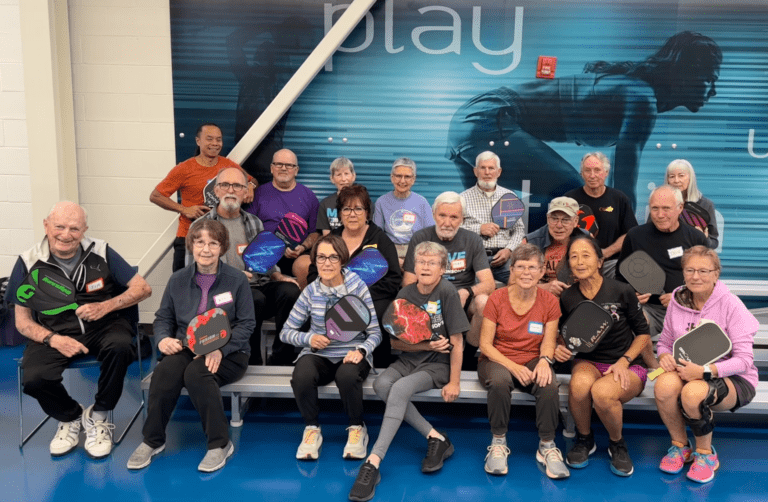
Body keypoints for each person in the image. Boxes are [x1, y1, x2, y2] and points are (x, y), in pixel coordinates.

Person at [446, 31, 722, 228]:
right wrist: (628, 235)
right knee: (572, 196)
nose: (713, 91)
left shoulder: (635, 92)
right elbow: (624, 184)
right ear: (687, 74)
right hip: (489, 119)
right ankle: (514, 240)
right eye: (708, 79)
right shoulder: (641, 98)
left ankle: (506, 245)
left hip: (475, 121)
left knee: (483, 220)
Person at [8, 202, 152, 459]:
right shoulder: (28, 261)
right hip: (53, 331)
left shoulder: (102, 251)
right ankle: (71, 416)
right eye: (59, 227)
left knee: (121, 347)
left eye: (74, 228)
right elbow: (22, 322)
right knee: (34, 379)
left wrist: (105, 306)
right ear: (46, 225)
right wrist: (53, 339)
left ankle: (98, 416)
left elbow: (143, 288)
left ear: (84, 230)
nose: (66, 235)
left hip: (104, 326)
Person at [127, 219, 255, 472]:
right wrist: (163, 338)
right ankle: (152, 440)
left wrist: (221, 349)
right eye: (200, 243)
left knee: (198, 373)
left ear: (222, 247)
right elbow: (163, 318)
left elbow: (247, 324)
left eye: (213, 243)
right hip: (188, 346)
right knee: (164, 372)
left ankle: (220, 444)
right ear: (191, 246)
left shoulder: (237, 279)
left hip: (230, 351)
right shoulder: (177, 279)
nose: (206, 249)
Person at [348, 242, 468, 502]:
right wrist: (425, 345)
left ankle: (373, 461)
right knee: (381, 385)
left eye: (432, 263)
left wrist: (455, 382)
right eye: (421, 262)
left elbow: (458, 342)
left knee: (400, 389)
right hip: (410, 359)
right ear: (414, 266)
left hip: (438, 364)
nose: (425, 267)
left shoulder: (447, 292)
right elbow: (395, 342)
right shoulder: (405, 293)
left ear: (442, 269)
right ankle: (435, 436)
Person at [653, 246, 758, 483]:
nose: (696, 276)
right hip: (688, 370)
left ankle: (705, 454)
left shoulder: (731, 304)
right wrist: (664, 356)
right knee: (663, 386)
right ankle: (680, 446)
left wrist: (705, 371)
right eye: (690, 270)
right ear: (683, 272)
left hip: (732, 377)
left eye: (703, 271)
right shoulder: (677, 301)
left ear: (716, 274)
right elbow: (665, 342)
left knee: (692, 393)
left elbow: (744, 361)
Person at [555, 234, 650, 477]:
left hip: (627, 363)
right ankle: (585, 439)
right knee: (579, 386)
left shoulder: (622, 290)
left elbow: (643, 334)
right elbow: (564, 335)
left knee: (602, 393)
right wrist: (559, 346)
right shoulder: (568, 296)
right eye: (574, 257)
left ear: (599, 261)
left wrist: (624, 361)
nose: (580, 261)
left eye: (586, 255)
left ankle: (617, 443)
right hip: (588, 361)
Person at [280, 234, 381, 461]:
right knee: (302, 375)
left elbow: (375, 333)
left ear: (342, 259)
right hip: (320, 355)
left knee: (347, 376)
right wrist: (309, 339)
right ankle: (312, 429)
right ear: (315, 260)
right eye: (321, 257)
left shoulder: (357, 286)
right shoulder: (310, 291)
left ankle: (357, 428)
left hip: (352, 354)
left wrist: (361, 351)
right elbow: (286, 332)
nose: (327, 263)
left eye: (333, 257)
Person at [477, 244, 568, 479]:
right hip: (496, 359)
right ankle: (498, 442)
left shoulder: (550, 301)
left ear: (542, 272)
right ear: (512, 270)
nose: (526, 273)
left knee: (548, 384)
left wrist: (545, 361)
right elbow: (485, 345)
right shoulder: (497, 298)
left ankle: (547, 445)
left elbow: (549, 341)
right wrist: (514, 367)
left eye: (532, 267)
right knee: (499, 382)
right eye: (520, 267)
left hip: (533, 358)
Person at [194, 167, 300, 365]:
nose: (231, 190)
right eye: (225, 185)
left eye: (237, 186)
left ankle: (281, 357)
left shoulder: (254, 222)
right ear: (216, 190)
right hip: (221, 294)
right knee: (254, 298)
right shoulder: (201, 226)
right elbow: (194, 273)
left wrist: (278, 275)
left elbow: (264, 258)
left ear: (245, 191)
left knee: (289, 291)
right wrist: (233, 278)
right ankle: (252, 359)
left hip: (257, 285)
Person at [307, 185, 401, 368]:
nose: (352, 214)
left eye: (358, 208)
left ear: (367, 212)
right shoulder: (330, 240)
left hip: (371, 299)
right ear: (340, 213)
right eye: (347, 209)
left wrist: (360, 296)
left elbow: (393, 278)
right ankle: (326, 362)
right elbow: (313, 274)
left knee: (377, 312)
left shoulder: (380, 240)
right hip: (333, 297)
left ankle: (378, 364)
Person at [403, 191, 495, 371]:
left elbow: (489, 284)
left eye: (454, 217)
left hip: (462, 299)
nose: (447, 222)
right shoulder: (420, 237)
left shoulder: (472, 239)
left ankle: (467, 357)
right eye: (442, 215)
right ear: (433, 214)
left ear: (462, 219)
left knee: (483, 302)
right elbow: (408, 283)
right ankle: (425, 353)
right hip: (429, 296)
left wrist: (467, 292)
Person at [150, 123, 255, 271]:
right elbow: (156, 196)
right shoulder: (184, 168)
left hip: (219, 239)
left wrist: (250, 185)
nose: (215, 143)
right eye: (209, 139)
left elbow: (251, 180)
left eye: (218, 139)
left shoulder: (228, 165)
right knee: (185, 283)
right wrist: (184, 209)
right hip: (189, 236)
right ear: (198, 141)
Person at [617, 185, 709, 349]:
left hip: (688, 309)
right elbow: (620, 278)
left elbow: (708, 281)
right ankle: (650, 363)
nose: (660, 215)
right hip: (649, 309)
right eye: (655, 209)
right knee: (635, 321)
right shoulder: (635, 236)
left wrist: (681, 295)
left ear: (680, 208)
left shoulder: (696, 238)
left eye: (666, 208)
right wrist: (632, 296)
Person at [245, 148, 320, 285]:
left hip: (296, 256)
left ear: (296, 170)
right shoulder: (258, 194)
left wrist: (303, 247)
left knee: (306, 265)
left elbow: (315, 233)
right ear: (271, 168)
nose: (283, 168)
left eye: (289, 165)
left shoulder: (309, 197)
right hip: (264, 253)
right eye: (279, 164)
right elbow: (248, 227)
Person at [564, 152, 638, 278]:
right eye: (587, 170)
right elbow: (559, 233)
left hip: (610, 264)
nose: (592, 175)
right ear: (582, 173)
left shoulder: (620, 199)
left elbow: (630, 234)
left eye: (597, 170)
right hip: (577, 265)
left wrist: (605, 253)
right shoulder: (569, 200)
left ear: (606, 172)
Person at [460, 151, 526, 285]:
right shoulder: (462, 198)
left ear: (499, 172)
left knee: (522, 284)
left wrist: (509, 250)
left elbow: (519, 230)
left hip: (504, 259)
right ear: (475, 171)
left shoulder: (509, 196)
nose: (487, 172)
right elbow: (454, 229)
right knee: (477, 290)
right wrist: (479, 229)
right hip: (474, 259)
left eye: (491, 168)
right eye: (482, 168)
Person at [294, 156, 357, 289]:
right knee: (301, 263)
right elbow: (327, 236)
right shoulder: (326, 204)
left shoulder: (363, 202)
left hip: (355, 250)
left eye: (346, 173)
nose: (343, 179)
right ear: (332, 179)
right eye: (338, 174)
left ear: (353, 176)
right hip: (332, 249)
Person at [372, 158, 435, 264]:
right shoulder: (381, 202)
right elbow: (377, 235)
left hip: (416, 250)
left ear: (413, 179)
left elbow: (430, 234)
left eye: (407, 177)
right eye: (398, 176)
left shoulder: (422, 202)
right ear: (392, 177)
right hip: (389, 250)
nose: (402, 181)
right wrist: (393, 258)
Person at [523, 196, 587, 297]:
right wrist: (545, 287)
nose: (559, 225)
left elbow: (596, 277)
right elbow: (514, 283)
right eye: (554, 219)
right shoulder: (530, 242)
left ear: (575, 221)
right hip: (540, 298)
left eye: (566, 220)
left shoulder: (586, 239)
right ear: (548, 219)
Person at [665, 159, 719, 249]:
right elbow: (649, 233)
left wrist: (703, 238)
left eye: (681, 176)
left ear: (690, 178)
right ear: (667, 180)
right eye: (672, 176)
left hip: (694, 255)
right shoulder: (660, 202)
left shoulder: (705, 204)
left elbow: (713, 242)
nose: (676, 180)